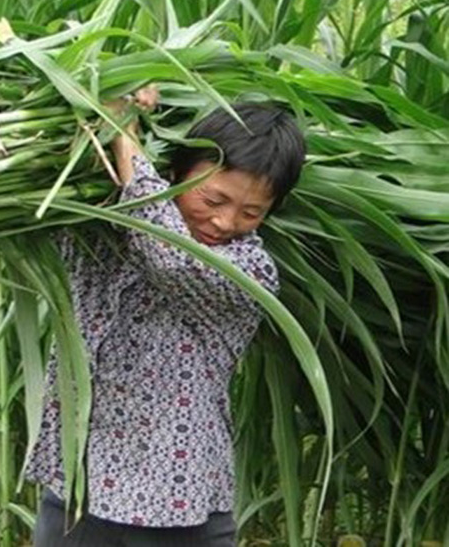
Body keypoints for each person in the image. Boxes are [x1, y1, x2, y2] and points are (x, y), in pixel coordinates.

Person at [26, 86, 307, 547]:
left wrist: (123, 129)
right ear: (175, 171)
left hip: (177, 506)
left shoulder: (250, 273)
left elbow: (169, 255)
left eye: (251, 212)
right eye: (213, 200)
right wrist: (111, 101)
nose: (225, 222)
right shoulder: (103, 220)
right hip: (78, 486)